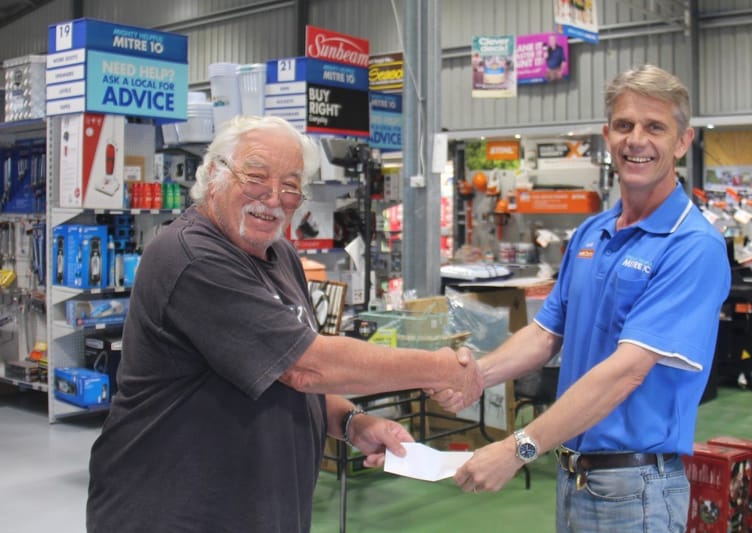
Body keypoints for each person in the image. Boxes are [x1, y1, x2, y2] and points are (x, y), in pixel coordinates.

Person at [86, 115, 483, 533]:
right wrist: (438, 369)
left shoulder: (280, 256)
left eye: (291, 185)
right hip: (174, 511)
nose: (274, 197)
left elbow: (281, 369)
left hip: (261, 510)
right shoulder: (191, 256)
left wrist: (352, 422)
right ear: (215, 174)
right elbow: (306, 367)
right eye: (256, 177)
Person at [437, 65, 731, 532]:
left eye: (655, 127)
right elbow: (545, 333)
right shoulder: (592, 232)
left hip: (636, 488)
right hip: (576, 477)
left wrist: (518, 448)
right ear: (606, 135)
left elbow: (625, 373)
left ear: (682, 141)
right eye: (624, 125)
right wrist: (478, 375)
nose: (637, 139)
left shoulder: (692, 246)